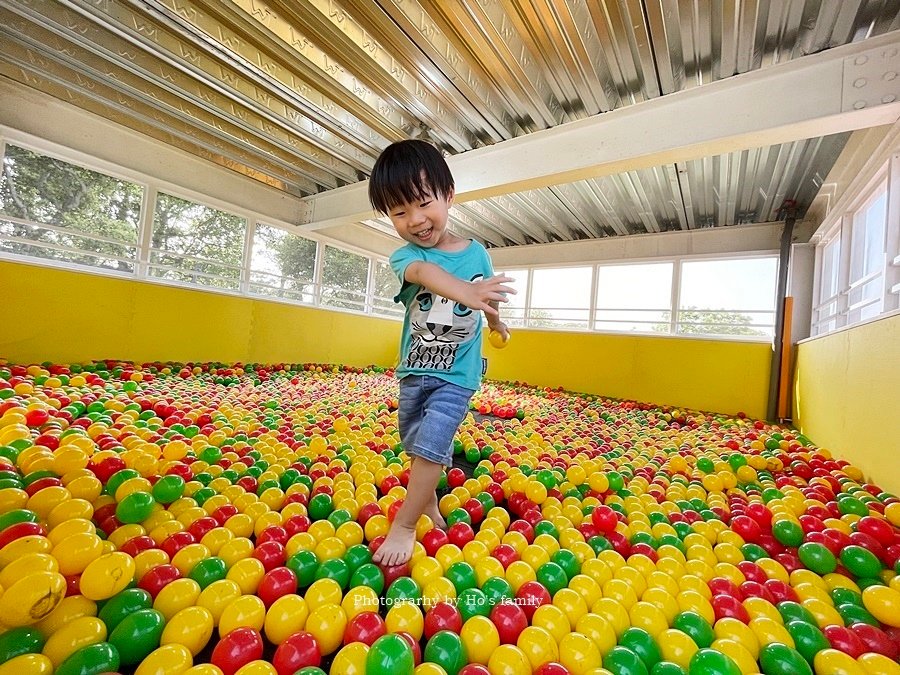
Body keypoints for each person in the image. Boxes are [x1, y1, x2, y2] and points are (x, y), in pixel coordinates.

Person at [367, 139, 513, 567]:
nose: (414, 220)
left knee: (432, 445)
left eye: (423, 202)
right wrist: (464, 290)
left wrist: (495, 320)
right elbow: (424, 274)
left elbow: (485, 295)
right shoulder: (406, 256)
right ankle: (428, 505)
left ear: (448, 195)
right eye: (398, 212)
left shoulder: (476, 253)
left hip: (457, 374)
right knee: (414, 443)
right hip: (415, 370)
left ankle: (406, 524)